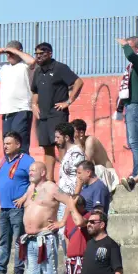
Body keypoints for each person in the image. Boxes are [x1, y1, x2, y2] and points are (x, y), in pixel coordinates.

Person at [31, 42, 83, 180]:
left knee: (61, 145)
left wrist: (68, 102)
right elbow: (35, 91)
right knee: (47, 148)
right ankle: (50, 180)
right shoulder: (37, 72)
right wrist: (34, 104)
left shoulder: (60, 68)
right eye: (36, 54)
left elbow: (78, 82)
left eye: (42, 53)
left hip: (57, 115)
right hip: (42, 116)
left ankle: (66, 177)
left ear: (50, 53)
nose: (38, 56)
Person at [0, 132, 34, 274]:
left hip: (18, 209)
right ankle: (0, 271)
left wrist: (24, 197)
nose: (5, 146)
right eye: (4, 143)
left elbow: (35, 182)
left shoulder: (27, 161)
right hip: (4, 209)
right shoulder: (3, 160)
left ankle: (18, 272)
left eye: (8, 143)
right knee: (3, 241)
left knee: (19, 240)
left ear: (18, 145)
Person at [0, 41, 37, 151]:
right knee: (7, 143)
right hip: (6, 110)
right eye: (7, 53)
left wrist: (14, 51)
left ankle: (23, 162)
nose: (9, 55)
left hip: (22, 108)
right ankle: (9, 162)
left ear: (19, 52)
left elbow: (32, 61)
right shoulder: (3, 67)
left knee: (20, 142)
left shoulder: (25, 65)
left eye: (11, 53)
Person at [120, 37, 138, 182]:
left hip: (137, 105)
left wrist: (124, 44)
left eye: (130, 46)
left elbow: (130, 55)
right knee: (132, 142)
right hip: (133, 104)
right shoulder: (135, 64)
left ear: (136, 47)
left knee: (134, 141)